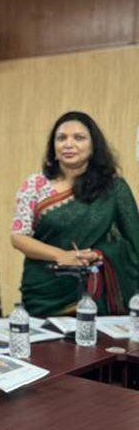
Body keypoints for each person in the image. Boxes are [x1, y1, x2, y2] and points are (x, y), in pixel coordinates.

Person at [11, 111, 139, 316]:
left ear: (93, 146)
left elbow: (134, 241)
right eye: (61, 138)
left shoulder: (113, 188)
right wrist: (61, 255)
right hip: (42, 291)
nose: (68, 144)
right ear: (53, 147)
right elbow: (18, 237)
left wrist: (98, 254)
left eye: (79, 138)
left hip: (92, 292)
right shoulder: (35, 185)